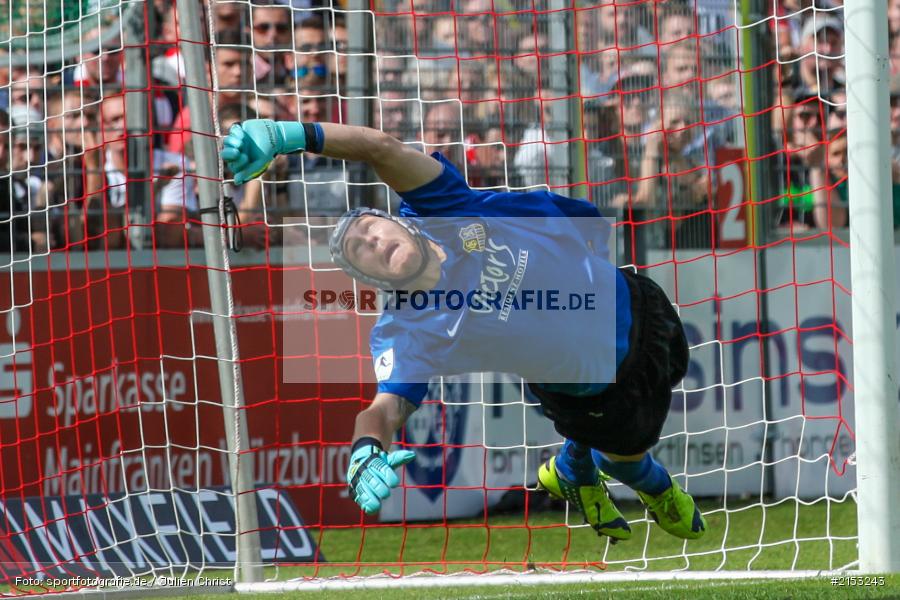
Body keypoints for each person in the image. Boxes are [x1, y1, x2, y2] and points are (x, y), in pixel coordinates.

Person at [221, 118, 709, 542]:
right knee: (628, 459)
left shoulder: (440, 208)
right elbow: (384, 408)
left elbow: (379, 149)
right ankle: (654, 487)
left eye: (373, 229)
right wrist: (367, 450)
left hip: (638, 303)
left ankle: (570, 466)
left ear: (398, 223)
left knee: (664, 383)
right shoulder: (407, 328)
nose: (373, 242)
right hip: (595, 392)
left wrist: (287, 135)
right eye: (360, 252)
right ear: (368, 278)